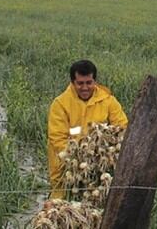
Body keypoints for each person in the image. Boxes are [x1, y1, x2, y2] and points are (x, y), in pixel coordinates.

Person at [47, 60, 128, 199]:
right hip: (65, 167)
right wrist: (79, 158)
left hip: (99, 167)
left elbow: (123, 127)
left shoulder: (108, 101)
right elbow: (57, 138)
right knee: (60, 205)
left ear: (95, 81)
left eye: (89, 82)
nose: (85, 87)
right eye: (80, 83)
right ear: (73, 82)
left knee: (96, 202)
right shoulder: (60, 104)